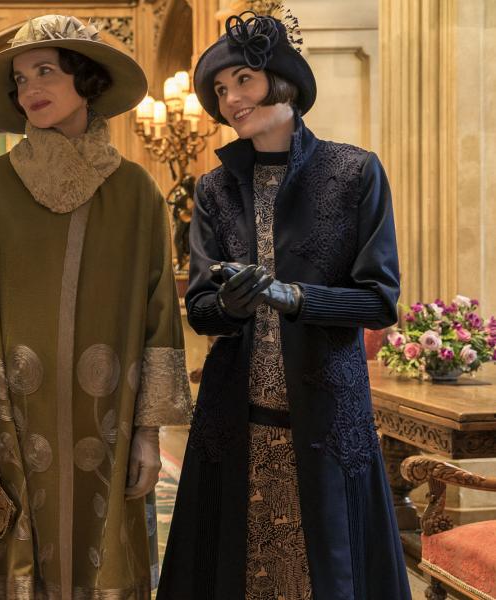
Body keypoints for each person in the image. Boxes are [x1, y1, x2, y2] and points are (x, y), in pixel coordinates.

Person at [0, 14, 193, 600]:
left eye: (45, 72)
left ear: (86, 79)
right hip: (9, 424)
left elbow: (160, 324)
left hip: (111, 423)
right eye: (20, 79)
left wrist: (149, 435)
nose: (30, 89)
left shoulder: (137, 193)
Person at [158, 12, 410, 599]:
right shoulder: (214, 189)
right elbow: (201, 309)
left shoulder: (355, 172)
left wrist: (294, 297)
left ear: (284, 82)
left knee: (330, 570)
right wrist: (232, 305)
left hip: (328, 417)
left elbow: (379, 300)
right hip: (235, 419)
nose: (230, 99)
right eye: (221, 90)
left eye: (243, 80)